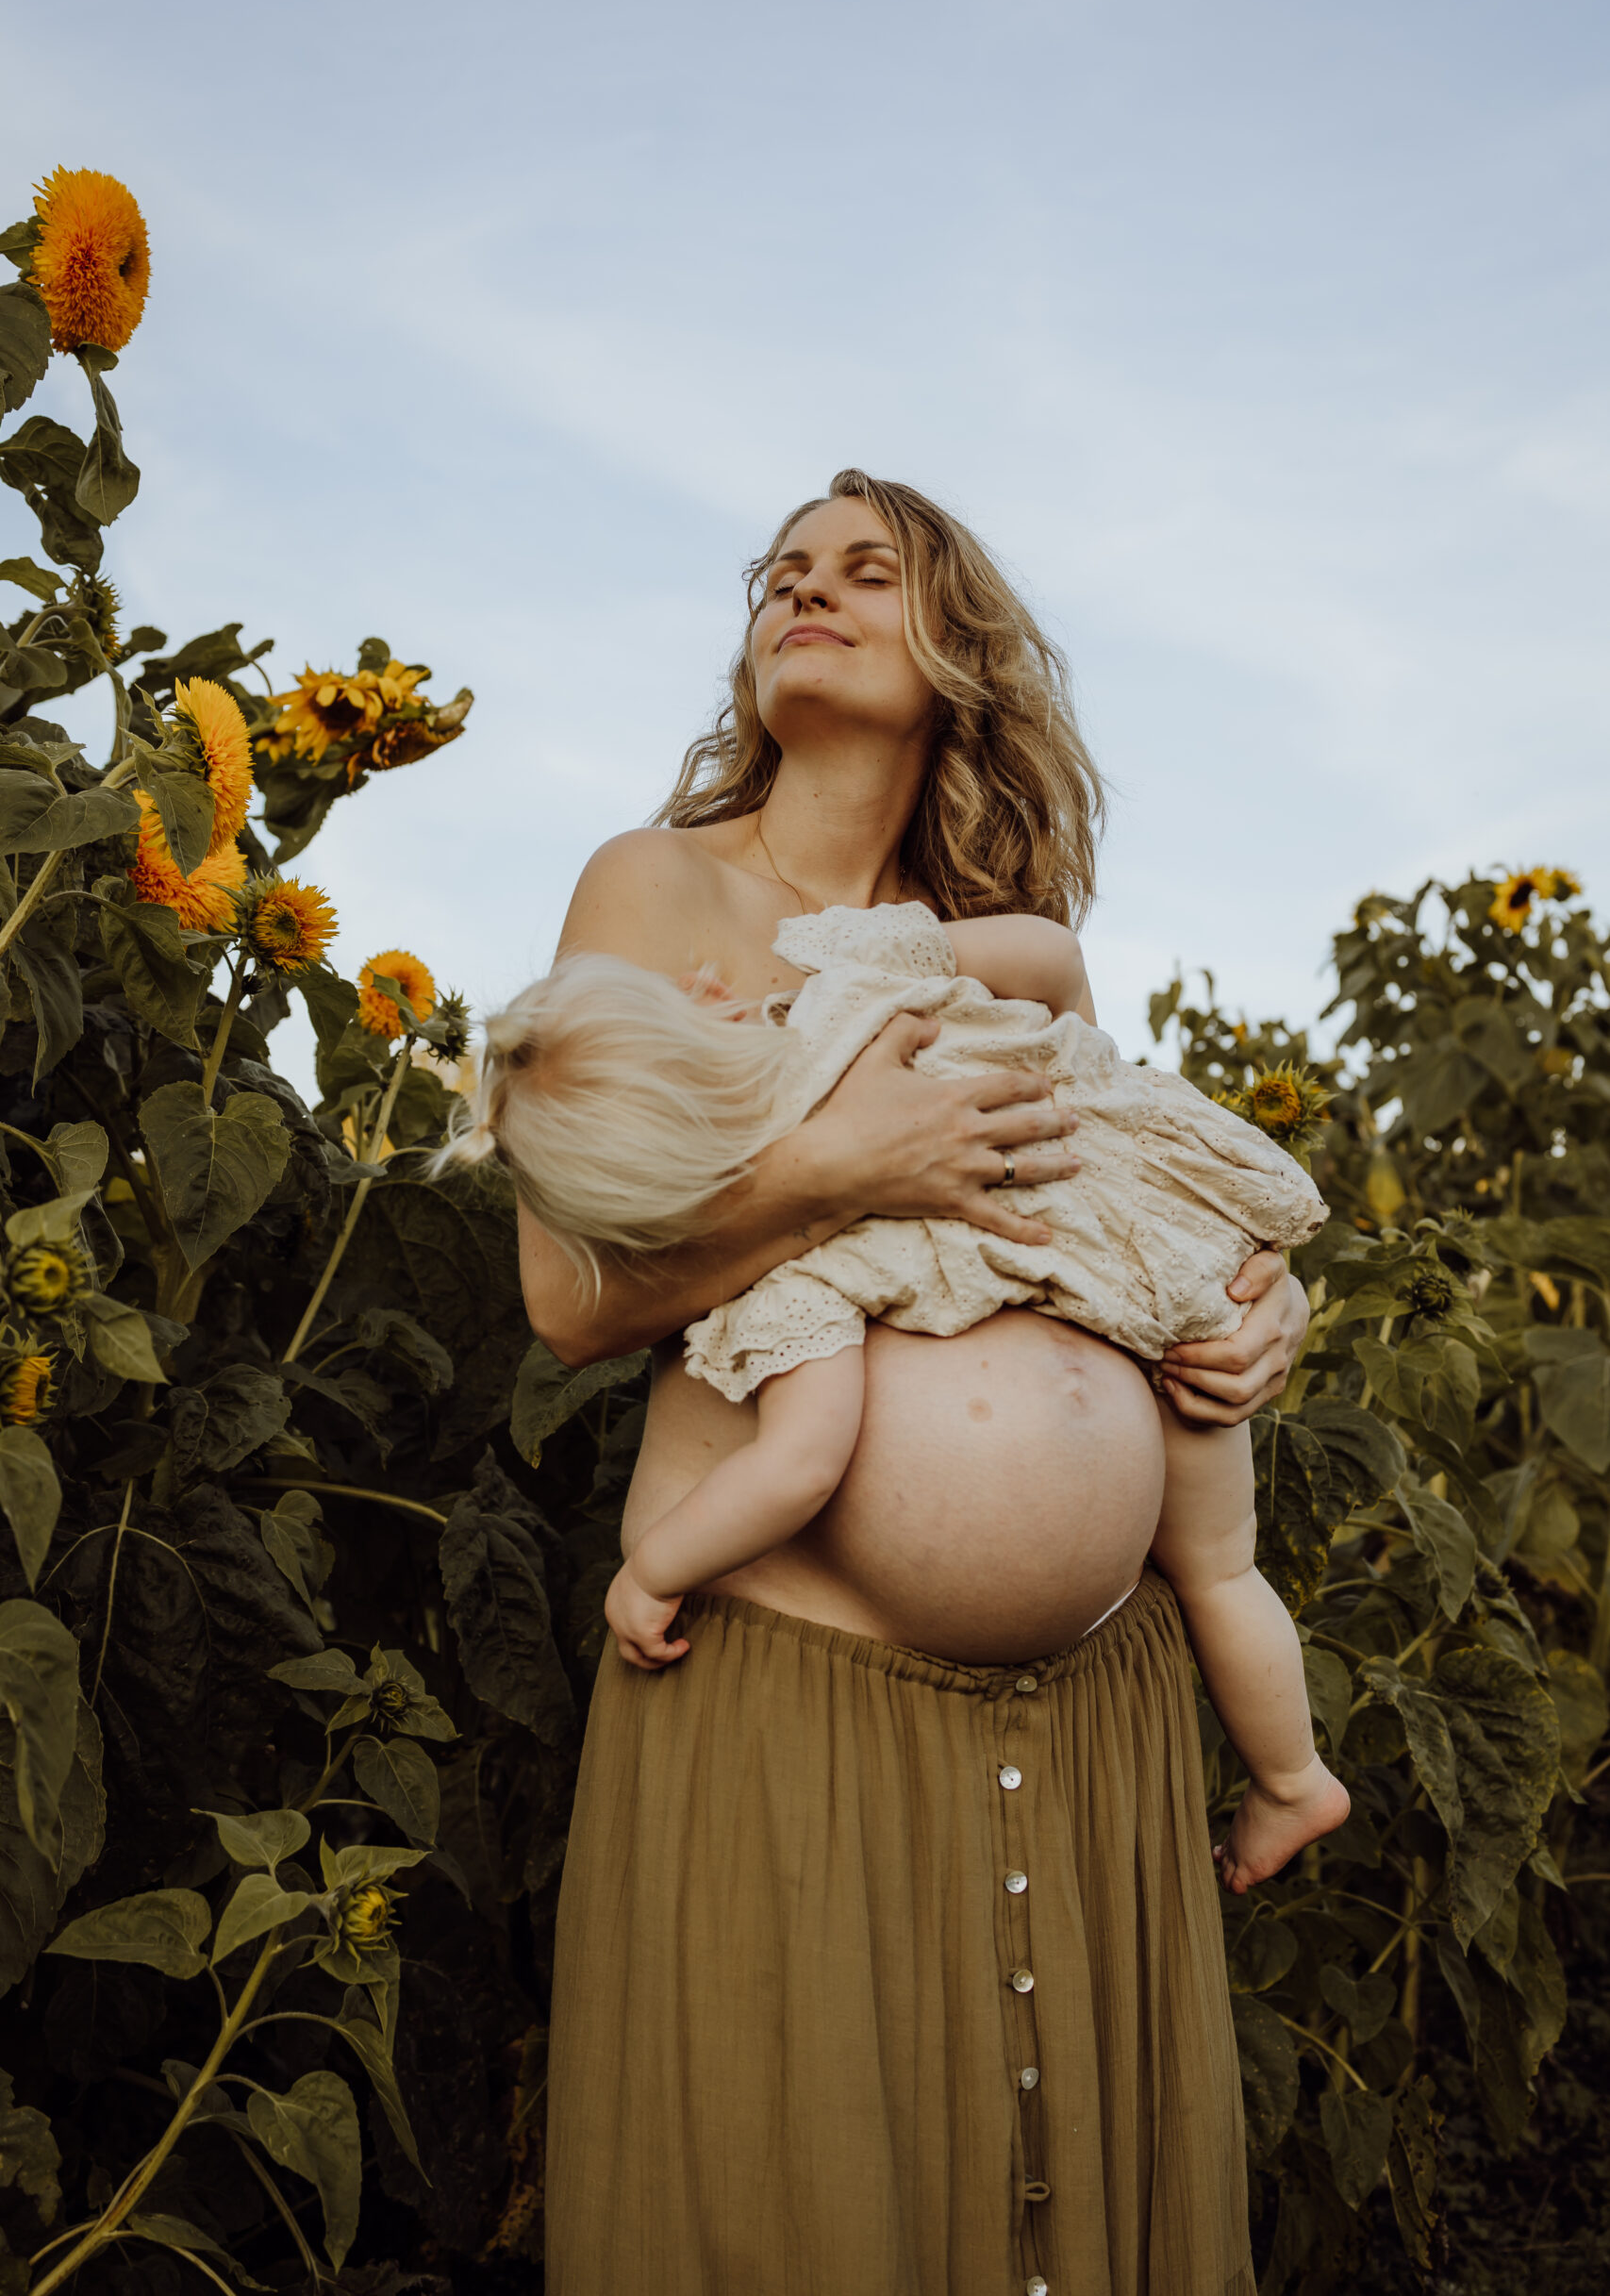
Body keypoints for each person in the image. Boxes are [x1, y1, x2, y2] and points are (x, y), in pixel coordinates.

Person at [518, 472, 1315, 2296]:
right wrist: (832, 1170)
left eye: (865, 572)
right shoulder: (657, 886)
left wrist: (1256, 1318)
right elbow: (565, 1293)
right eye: (781, 573)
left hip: (1099, 1702)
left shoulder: (1000, 937)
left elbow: (1118, 1198)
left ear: (953, 651)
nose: (807, 589)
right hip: (790, 1685)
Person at [455, 902, 1348, 1895]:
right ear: (704, 1000)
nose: (708, 981)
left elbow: (800, 1462)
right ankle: (1291, 1773)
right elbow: (1052, 955)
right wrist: (955, 958)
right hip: (1175, 1281)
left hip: (1173, 1309)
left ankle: (1295, 1782)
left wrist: (653, 1568)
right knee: (1222, 1574)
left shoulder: (797, 1254)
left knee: (1221, 1575)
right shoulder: (860, 991)